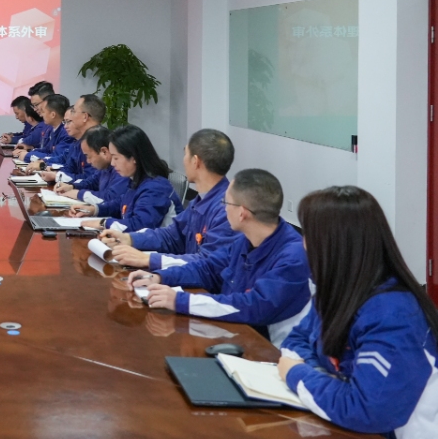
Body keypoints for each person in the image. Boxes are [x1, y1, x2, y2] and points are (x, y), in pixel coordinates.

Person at [278, 187, 438, 439]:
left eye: (308, 235)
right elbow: (296, 340)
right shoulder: (339, 290)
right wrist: (323, 377)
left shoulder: (394, 315)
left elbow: (366, 409)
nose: (303, 245)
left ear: (335, 244)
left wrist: (297, 373)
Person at [127, 169, 311, 347]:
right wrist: (159, 277)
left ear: (242, 213)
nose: (224, 208)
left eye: (226, 202)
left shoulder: (293, 257)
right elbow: (207, 268)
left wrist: (179, 300)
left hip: (271, 353)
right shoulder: (245, 240)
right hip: (235, 335)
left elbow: (252, 306)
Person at [102, 128, 235, 270]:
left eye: (185, 154)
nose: (183, 161)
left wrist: (149, 260)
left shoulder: (226, 210)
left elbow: (207, 264)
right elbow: (172, 236)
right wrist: (130, 239)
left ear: (195, 161)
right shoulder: (201, 200)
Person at [69, 124, 182, 231]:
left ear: (134, 158)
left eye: (116, 158)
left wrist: (103, 223)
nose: (112, 163)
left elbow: (140, 225)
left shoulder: (156, 188)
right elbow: (121, 202)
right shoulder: (137, 179)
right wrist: (95, 210)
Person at [35, 94, 105, 182]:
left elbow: (90, 180)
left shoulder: (98, 142)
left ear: (85, 117)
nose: (71, 115)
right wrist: (54, 171)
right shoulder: (79, 141)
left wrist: (57, 176)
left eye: (74, 111)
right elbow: (68, 168)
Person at [53, 125, 128, 204]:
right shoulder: (104, 167)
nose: (88, 161)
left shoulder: (121, 170)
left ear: (104, 152)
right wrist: (72, 186)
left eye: (88, 156)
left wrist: (79, 194)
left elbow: (111, 198)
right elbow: (91, 182)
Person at [17, 94, 70, 162]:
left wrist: (28, 156)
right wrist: (30, 151)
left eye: (43, 112)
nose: (41, 115)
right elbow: (47, 150)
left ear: (53, 115)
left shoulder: (66, 132)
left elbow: (56, 157)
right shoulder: (54, 129)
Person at [12, 81, 53, 153]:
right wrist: (31, 148)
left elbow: (56, 155)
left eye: (36, 105)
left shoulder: (62, 127)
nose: (34, 109)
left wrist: (28, 155)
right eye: (33, 106)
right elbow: (47, 150)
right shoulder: (46, 125)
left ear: (48, 101)